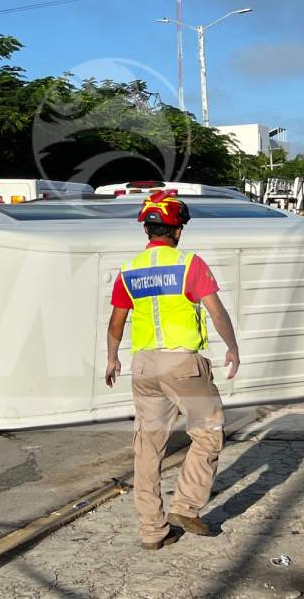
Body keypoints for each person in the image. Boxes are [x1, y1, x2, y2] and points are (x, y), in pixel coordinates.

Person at [104, 192, 240, 550]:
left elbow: (117, 322)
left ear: (148, 231)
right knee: (208, 434)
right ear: (177, 231)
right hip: (183, 364)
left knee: (148, 449)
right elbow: (216, 311)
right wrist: (233, 347)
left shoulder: (129, 268)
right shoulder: (189, 263)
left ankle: (153, 532)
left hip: (144, 366)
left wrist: (112, 358)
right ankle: (185, 507)